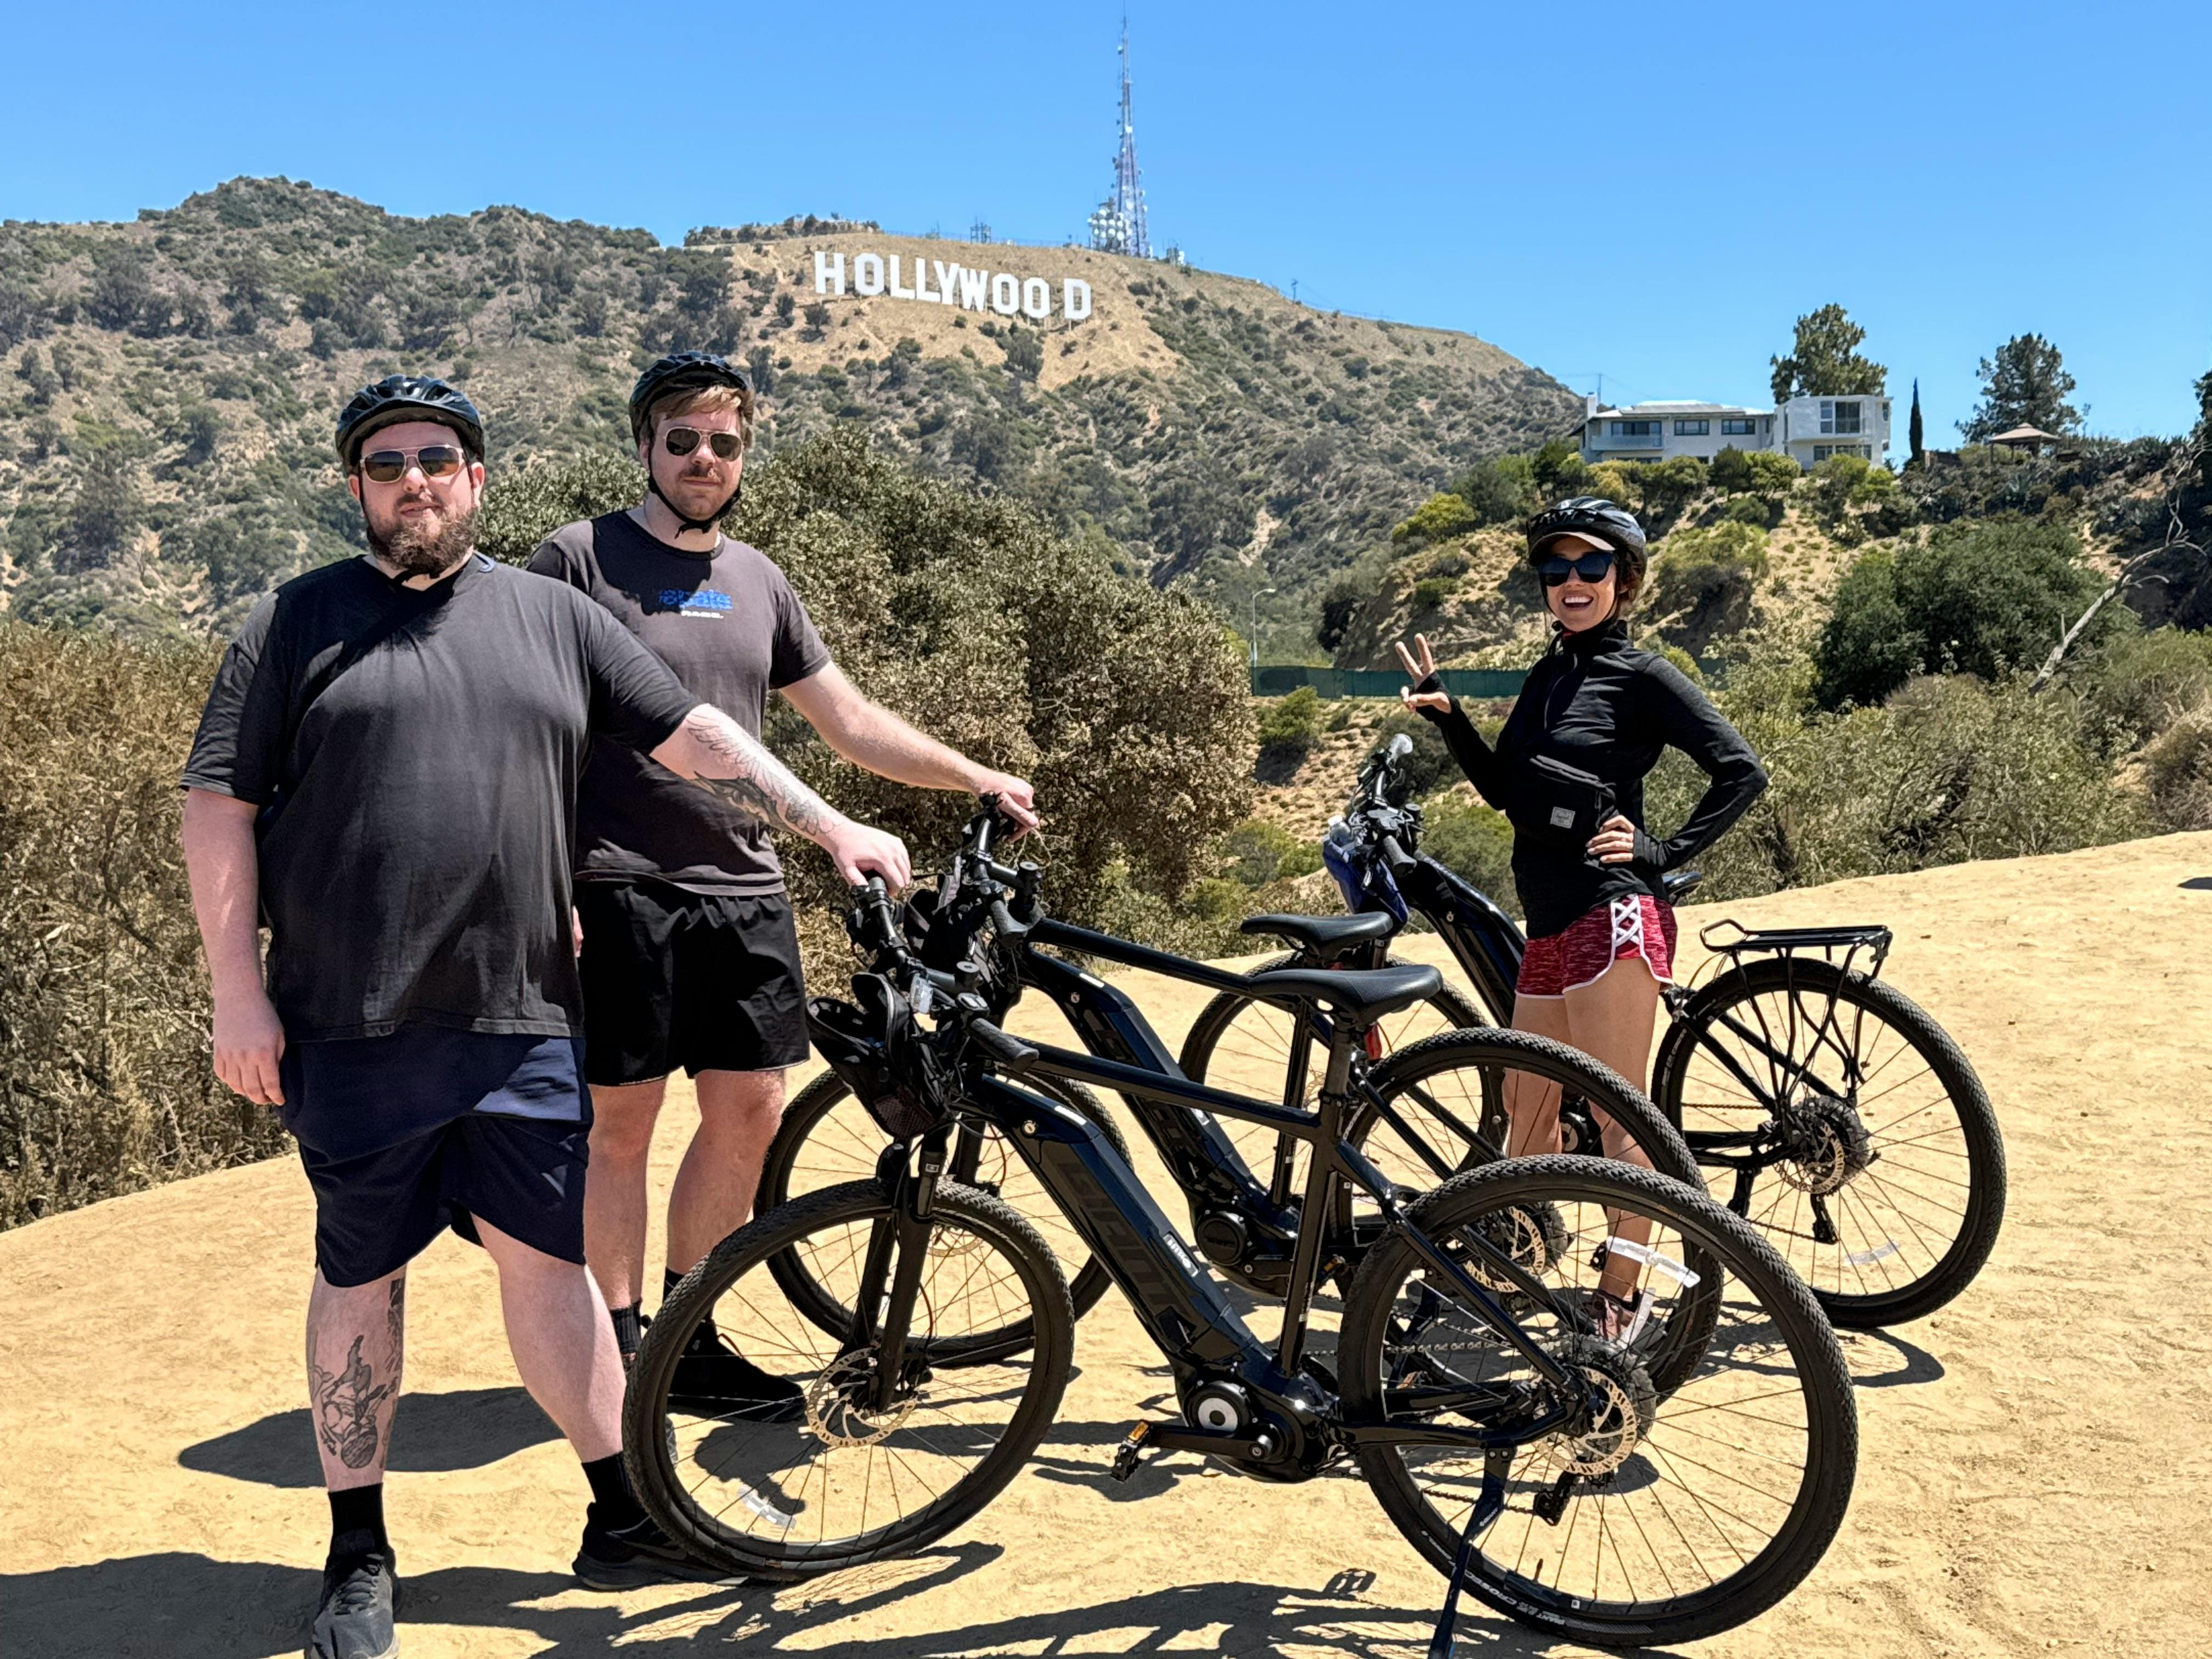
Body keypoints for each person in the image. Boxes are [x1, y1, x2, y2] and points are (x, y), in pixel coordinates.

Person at [179, 374, 911, 1659]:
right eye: (389, 461)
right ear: (356, 487)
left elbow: (698, 735)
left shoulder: (554, 617)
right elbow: (218, 807)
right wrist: (237, 990)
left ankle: (624, 1511)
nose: (417, 479)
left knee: (550, 1265)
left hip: (525, 1019)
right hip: (351, 1021)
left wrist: (831, 822)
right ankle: (359, 1550)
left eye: (441, 458)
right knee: (362, 1273)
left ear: (478, 479)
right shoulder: (292, 623)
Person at [525, 351, 1037, 1410]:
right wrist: (545, 884)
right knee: (620, 1124)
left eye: (724, 443)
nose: (704, 459)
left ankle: (688, 1333)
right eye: (683, 441)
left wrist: (972, 775)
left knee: (752, 1109)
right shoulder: (574, 561)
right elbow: (522, 735)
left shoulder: (758, 580)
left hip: (746, 886)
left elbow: (848, 724)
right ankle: (617, 1351)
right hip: (615, 883)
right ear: (644, 448)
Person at [1396, 496, 1767, 1327]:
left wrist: (1662, 852)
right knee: (1526, 1114)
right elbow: (1510, 797)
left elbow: (1740, 770)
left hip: (1611, 916)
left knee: (1617, 1115)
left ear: (1623, 581)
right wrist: (1452, 719)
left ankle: (1620, 1300)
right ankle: (1519, 1267)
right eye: (1555, 568)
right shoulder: (1549, 675)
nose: (1571, 580)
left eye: (1590, 566)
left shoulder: (1641, 676)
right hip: (1551, 923)